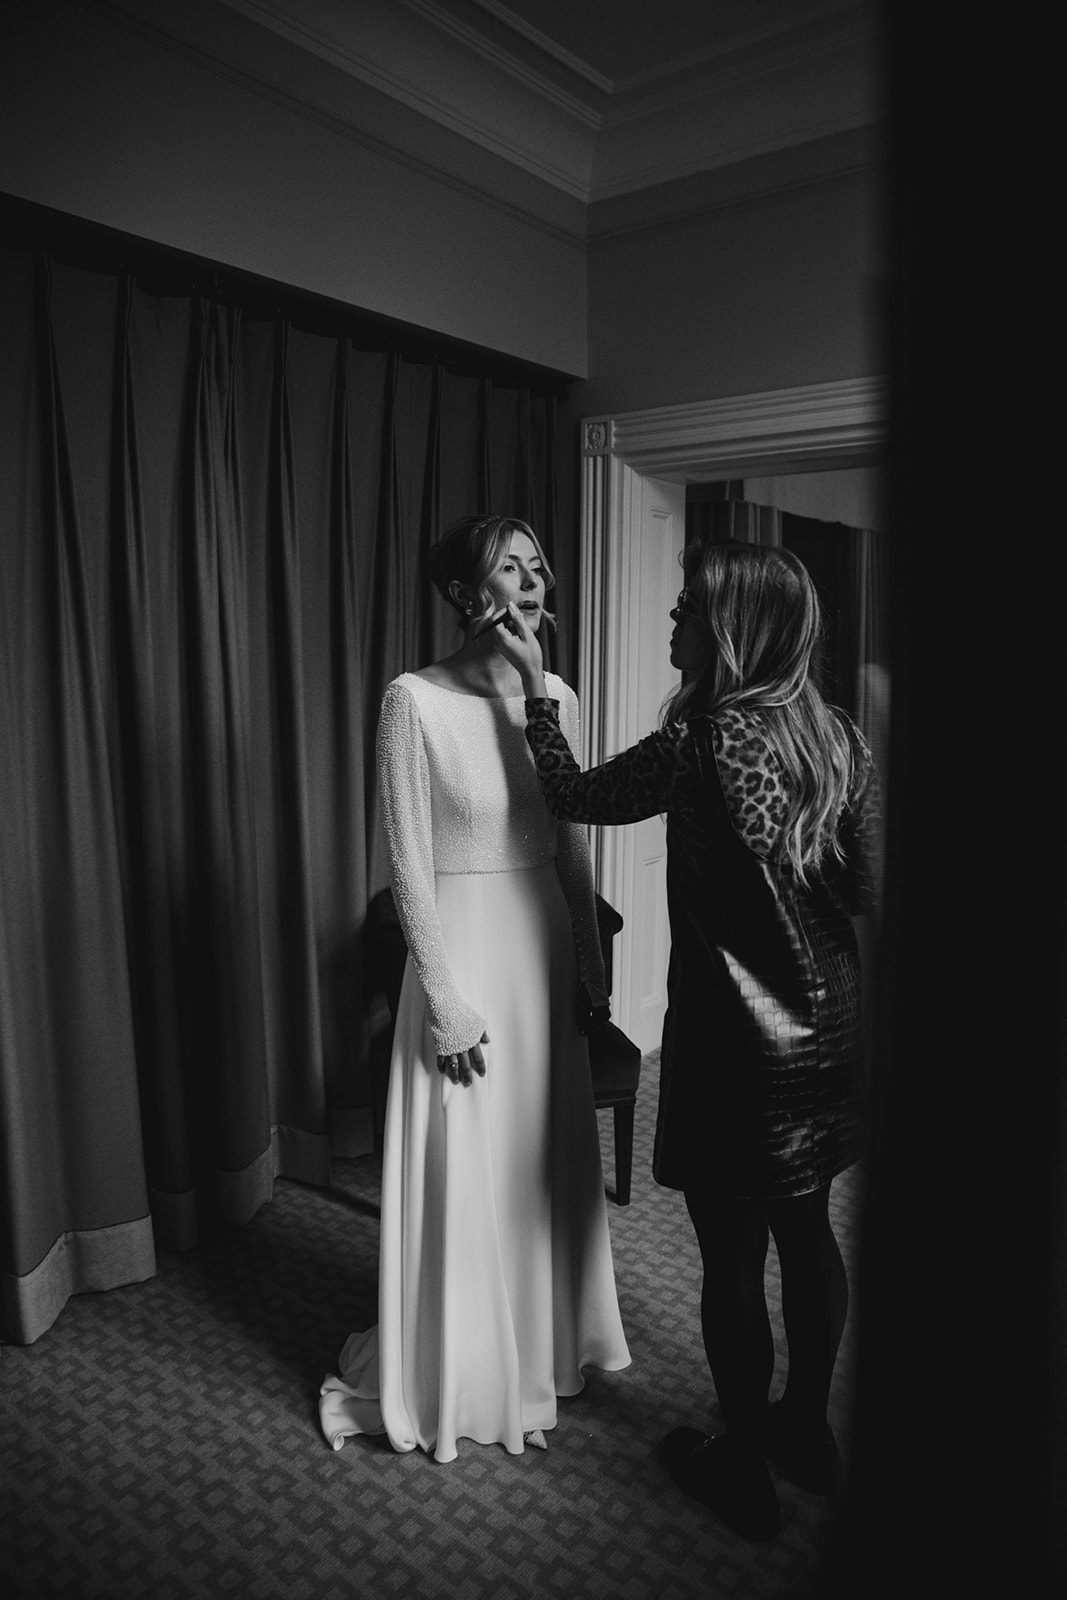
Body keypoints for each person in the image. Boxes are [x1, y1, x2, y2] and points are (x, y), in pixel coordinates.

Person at [493, 538, 880, 1541]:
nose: (671, 623)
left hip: (735, 1057)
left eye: (686, 611)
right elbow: (868, 893)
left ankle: (743, 1468)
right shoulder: (838, 740)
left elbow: (570, 794)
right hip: (830, 1041)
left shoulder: (698, 741)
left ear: (731, 632)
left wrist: (536, 692)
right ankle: (806, 1433)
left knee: (731, 1255)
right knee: (807, 1234)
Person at [319, 514, 630, 1463]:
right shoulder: (410, 701)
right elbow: (409, 866)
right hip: (464, 962)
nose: (532, 581)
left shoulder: (557, 695)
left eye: (538, 565)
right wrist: (445, 1000)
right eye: (510, 566)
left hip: (542, 956)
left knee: (539, 1166)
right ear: (466, 592)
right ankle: (460, 1369)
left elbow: (570, 839)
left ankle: (538, 1347)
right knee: (469, 1169)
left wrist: (588, 958)